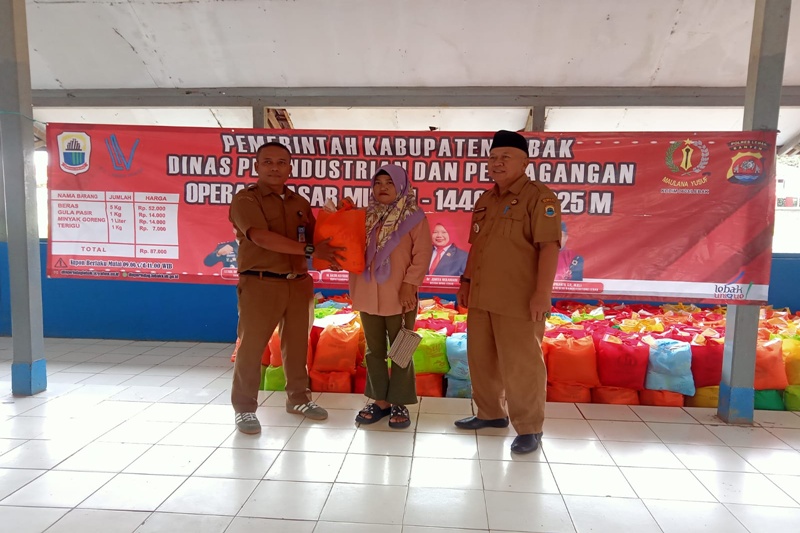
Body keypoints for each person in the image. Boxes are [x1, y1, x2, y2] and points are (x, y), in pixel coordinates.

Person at [454, 130, 561, 454]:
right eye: (493, 157)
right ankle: (490, 414)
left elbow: (549, 247)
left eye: (505, 157)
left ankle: (529, 428)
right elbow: (477, 246)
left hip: (519, 299)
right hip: (482, 295)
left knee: (521, 365)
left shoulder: (539, 198)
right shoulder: (486, 200)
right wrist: (466, 281)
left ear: (524, 162)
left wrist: (542, 294)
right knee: (481, 360)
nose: (497, 163)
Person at [228, 141, 344, 434]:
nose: (275, 168)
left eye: (281, 162)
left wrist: (338, 235)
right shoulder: (246, 200)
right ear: (256, 166)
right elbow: (261, 237)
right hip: (261, 283)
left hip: (298, 284)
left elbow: (318, 237)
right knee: (251, 348)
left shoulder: (299, 203)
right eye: (268, 162)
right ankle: (244, 408)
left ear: (290, 168)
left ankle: (298, 399)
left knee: (297, 346)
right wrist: (311, 250)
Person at [350, 164, 432, 429]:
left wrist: (410, 284)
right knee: (374, 350)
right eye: (378, 183)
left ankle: (399, 401)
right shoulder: (364, 217)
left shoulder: (414, 217)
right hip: (367, 292)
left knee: (401, 350)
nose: (383, 187)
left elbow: (422, 254)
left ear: (402, 187)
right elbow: (349, 248)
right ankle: (380, 401)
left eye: (389, 183)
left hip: (400, 294)